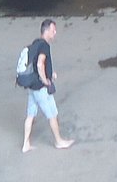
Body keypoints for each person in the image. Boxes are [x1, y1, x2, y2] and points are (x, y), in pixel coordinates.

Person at [21, 18, 74, 151]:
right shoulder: (45, 45)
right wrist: (45, 80)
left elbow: (36, 64)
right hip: (41, 88)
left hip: (32, 87)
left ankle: (26, 144)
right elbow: (39, 64)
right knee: (52, 115)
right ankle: (58, 141)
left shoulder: (36, 43)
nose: (55, 32)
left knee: (30, 115)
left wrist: (51, 73)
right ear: (46, 31)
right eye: (53, 30)